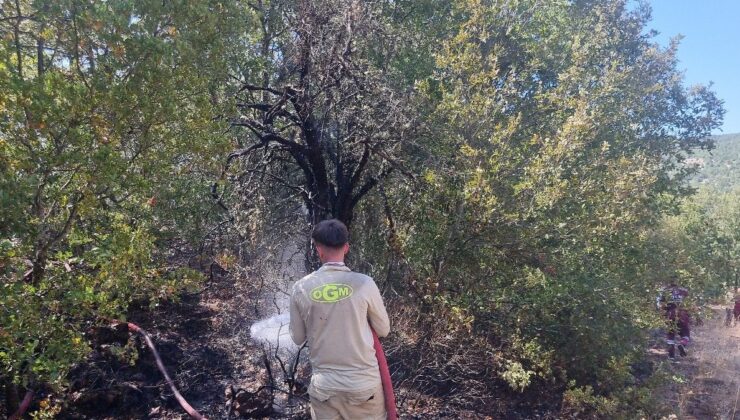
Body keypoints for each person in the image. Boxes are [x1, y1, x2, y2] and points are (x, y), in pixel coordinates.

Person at [290, 219, 391, 420]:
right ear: (346, 247)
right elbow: (383, 330)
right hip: (364, 388)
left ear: (318, 249)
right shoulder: (364, 283)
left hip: (325, 389)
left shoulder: (301, 288)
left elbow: (298, 338)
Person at [656, 282, 690, 359]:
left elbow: (660, 304)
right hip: (682, 314)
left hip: (670, 314)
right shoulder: (684, 290)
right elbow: (690, 303)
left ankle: (671, 356)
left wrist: (662, 314)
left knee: (670, 334)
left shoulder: (664, 290)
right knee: (685, 333)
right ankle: (682, 344)